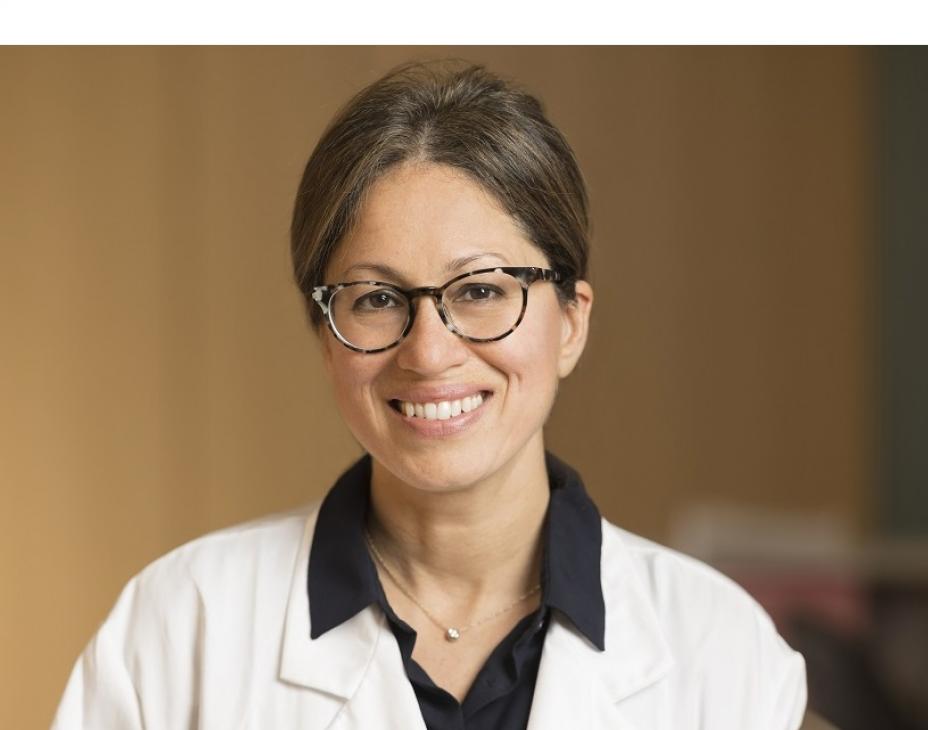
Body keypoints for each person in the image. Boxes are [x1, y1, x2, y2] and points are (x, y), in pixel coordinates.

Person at [52, 59, 807, 730]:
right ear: (325, 332)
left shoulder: (724, 651)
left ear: (571, 322)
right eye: (376, 299)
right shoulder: (181, 629)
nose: (429, 351)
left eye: (480, 289)